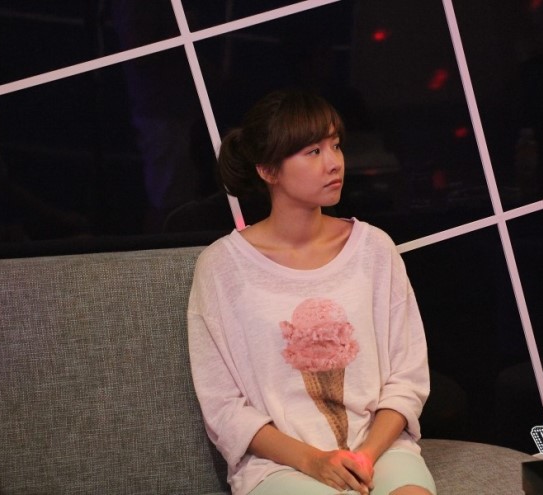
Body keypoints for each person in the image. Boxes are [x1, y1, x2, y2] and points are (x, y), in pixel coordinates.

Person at [187, 90, 436, 495]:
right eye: (313, 151)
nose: (334, 162)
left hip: (380, 450)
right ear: (268, 170)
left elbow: (407, 376)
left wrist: (365, 456)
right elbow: (224, 407)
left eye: (335, 145)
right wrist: (315, 461)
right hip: (281, 466)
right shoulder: (221, 267)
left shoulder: (374, 249)